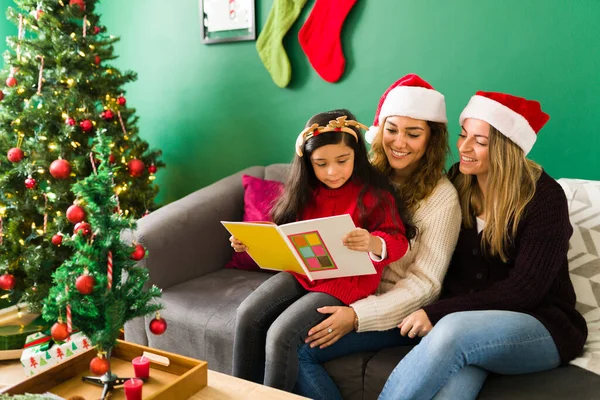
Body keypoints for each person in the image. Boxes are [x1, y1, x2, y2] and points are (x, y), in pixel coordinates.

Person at [378, 91, 588, 400]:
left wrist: (436, 312)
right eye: (463, 135)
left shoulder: (544, 197)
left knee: (453, 332)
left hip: (541, 325)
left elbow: (525, 289)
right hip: (469, 330)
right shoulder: (458, 183)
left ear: (505, 148)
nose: (463, 147)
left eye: (480, 141)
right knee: (451, 389)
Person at [294, 74, 462, 400]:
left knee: (300, 352)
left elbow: (426, 285)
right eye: (392, 130)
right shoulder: (364, 171)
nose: (399, 142)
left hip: (395, 313)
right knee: (275, 334)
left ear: (431, 139)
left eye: (413, 134)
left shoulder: (442, 199)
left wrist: (358, 316)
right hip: (343, 289)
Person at [230, 109, 415, 391]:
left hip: (345, 281)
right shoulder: (305, 190)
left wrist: (372, 242)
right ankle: (238, 394)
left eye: (342, 161)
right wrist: (249, 241)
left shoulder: (375, 194)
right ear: (308, 163)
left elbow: (398, 240)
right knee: (247, 314)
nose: (332, 172)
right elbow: (279, 228)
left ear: (356, 155)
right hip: (304, 270)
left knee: (282, 335)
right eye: (321, 164)